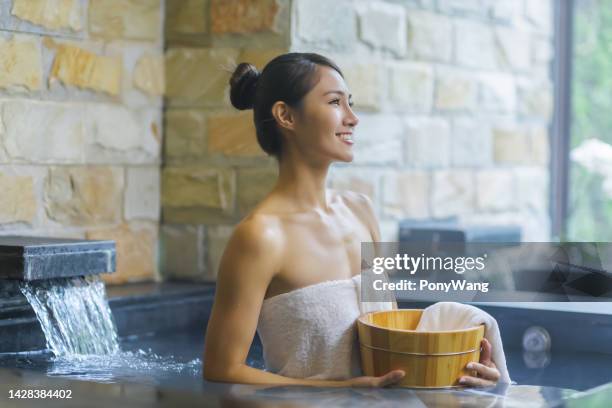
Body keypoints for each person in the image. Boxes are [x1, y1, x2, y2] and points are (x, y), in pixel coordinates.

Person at [203, 52, 500, 387]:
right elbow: (221, 370)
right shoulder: (260, 236)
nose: (353, 118)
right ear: (286, 115)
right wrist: (339, 391)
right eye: (335, 103)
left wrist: (465, 371)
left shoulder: (361, 211)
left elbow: (386, 336)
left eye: (350, 103)